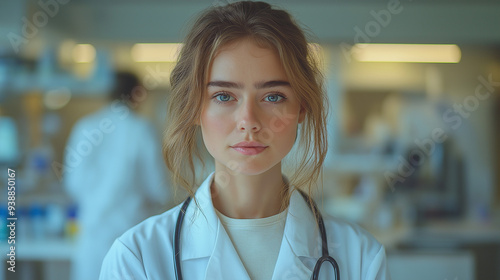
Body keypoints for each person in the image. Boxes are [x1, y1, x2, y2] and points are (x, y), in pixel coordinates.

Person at [100, 2, 390, 279]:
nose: (249, 120)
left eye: (273, 96)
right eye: (224, 96)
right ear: (194, 108)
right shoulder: (136, 258)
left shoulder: (360, 257)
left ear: (301, 107)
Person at [64, 71, 170, 280]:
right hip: (130, 233)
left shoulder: (85, 126)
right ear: (137, 94)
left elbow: (72, 183)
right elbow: (159, 190)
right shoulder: (141, 129)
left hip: (91, 235)